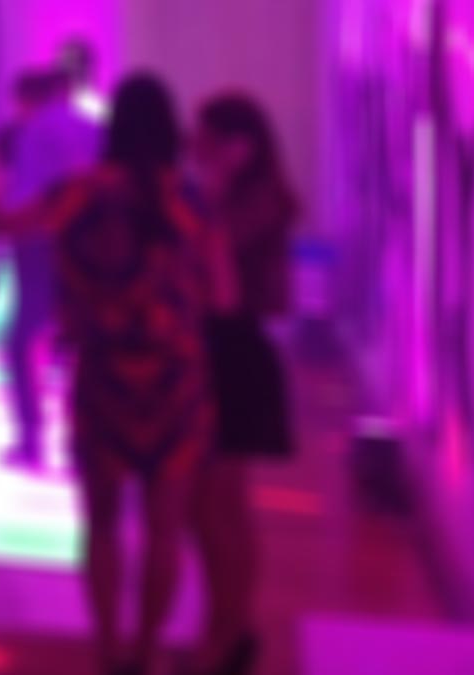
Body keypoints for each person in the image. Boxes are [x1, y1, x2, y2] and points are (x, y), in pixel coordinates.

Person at [0, 73, 227, 675]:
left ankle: (107, 650)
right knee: (164, 531)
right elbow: (223, 294)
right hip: (176, 380)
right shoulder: (190, 199)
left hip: (103, 375)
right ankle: (146, 650)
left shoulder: (78, 191)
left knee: (100, 526)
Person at [187, 92, 299, 675]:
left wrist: (211, 193)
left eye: (205, 137)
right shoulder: (237, 194)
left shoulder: (261, 200)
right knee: (212, 505)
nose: (194, 145)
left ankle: (228, 633)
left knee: (220, 504)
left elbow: (223, 280)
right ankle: (225, 628)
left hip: (237, 353)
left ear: (239, 145)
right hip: (219, 350)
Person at [1, 67, 101, 469]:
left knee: (21, 342)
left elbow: (25, 191)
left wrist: (7, 228)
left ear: (27, 100)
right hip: (87, 241)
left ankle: (32, 439)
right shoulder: (93, 128)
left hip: (38, 239)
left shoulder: (33, 130)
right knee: (78, 343)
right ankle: (82, 442)